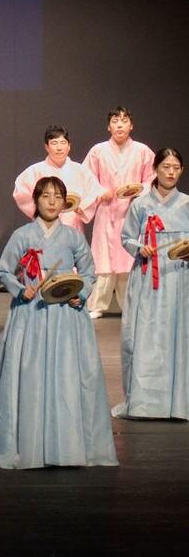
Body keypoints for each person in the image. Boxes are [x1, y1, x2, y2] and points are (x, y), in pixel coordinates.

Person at [0, 177, 117, 468]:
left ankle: (68, 445)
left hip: (65, 313)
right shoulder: (22, 234)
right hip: (31, 312)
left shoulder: (72, 236)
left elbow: (88, 270)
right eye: (46, 196)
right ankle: (28, 444)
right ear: (36, 200)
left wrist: (80, 293)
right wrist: (22, 289)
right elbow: (5, 270)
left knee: (68, 376)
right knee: (30, 374)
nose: (52, 202)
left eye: (58, 197)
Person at [115, 147, 188, 420]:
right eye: (165, 166)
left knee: (179, 335)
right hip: (149, 278)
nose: (170, 172)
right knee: (146, 336)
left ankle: (179, 402)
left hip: (181, 278)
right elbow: (126, 238)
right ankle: (146, 402)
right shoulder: (141, 204)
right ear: (155, 169)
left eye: (176, 167)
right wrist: (139, 247)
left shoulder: (187, 204)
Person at [82, 106, 156, 318]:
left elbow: (151, 178)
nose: (120, 124)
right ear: (109, 126)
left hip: (131, 211)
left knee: (128, 257)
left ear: (131, 125)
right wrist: (99, 191)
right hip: (106, 211)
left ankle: (129, 305)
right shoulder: (98, 151)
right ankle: (97, 304)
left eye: (124, 120)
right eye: (115, 120)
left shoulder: (142, 151)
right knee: (103, 258)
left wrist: (139, 191)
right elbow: (86, 177)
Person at [12, 125, 105, 236]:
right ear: (46, 147)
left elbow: (94, 191)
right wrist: (41, 211)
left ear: (69, 146)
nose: (59, 148)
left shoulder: (80, 170)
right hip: (45, 228)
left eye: (63, 143)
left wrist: (82, 207)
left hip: (73, 227)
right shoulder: (35, 171)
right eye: (54, 143)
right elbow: (21, 192)